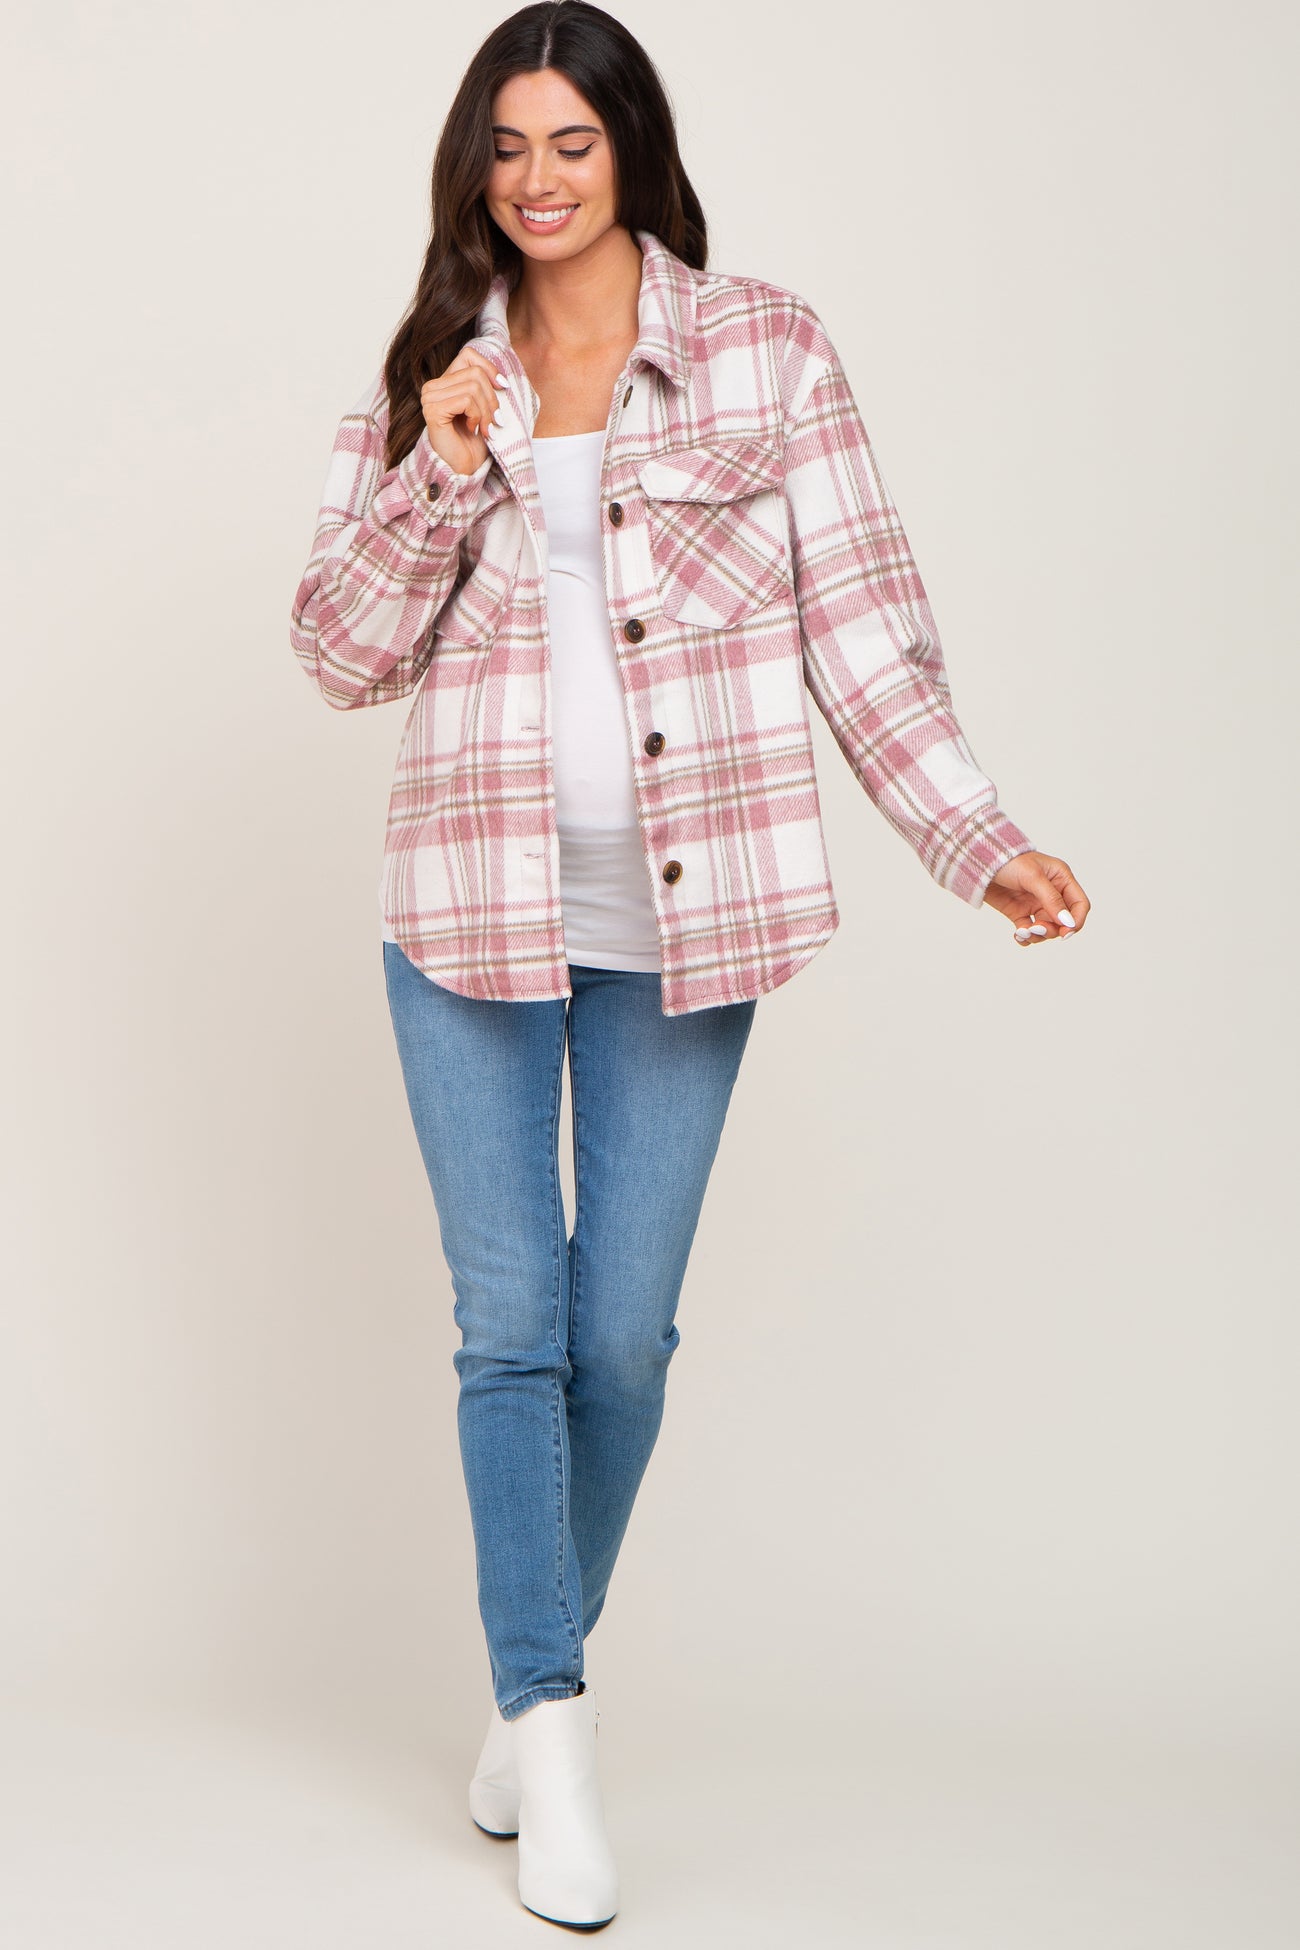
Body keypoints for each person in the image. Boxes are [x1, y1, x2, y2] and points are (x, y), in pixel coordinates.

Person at [289, 1, 1090, 1930]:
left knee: (622, 1338)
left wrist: (976, 837)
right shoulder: (427, 371)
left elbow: (867, 635)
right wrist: (438, 467)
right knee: (511, 1326)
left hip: (690, 915)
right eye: (507, 148)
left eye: (572, 143)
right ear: (472, 167)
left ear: (632, 149)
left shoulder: (769, 352)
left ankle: (521, 1686)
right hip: (466, 914)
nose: (539, 181)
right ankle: (553, 1731)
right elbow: (335, 654)